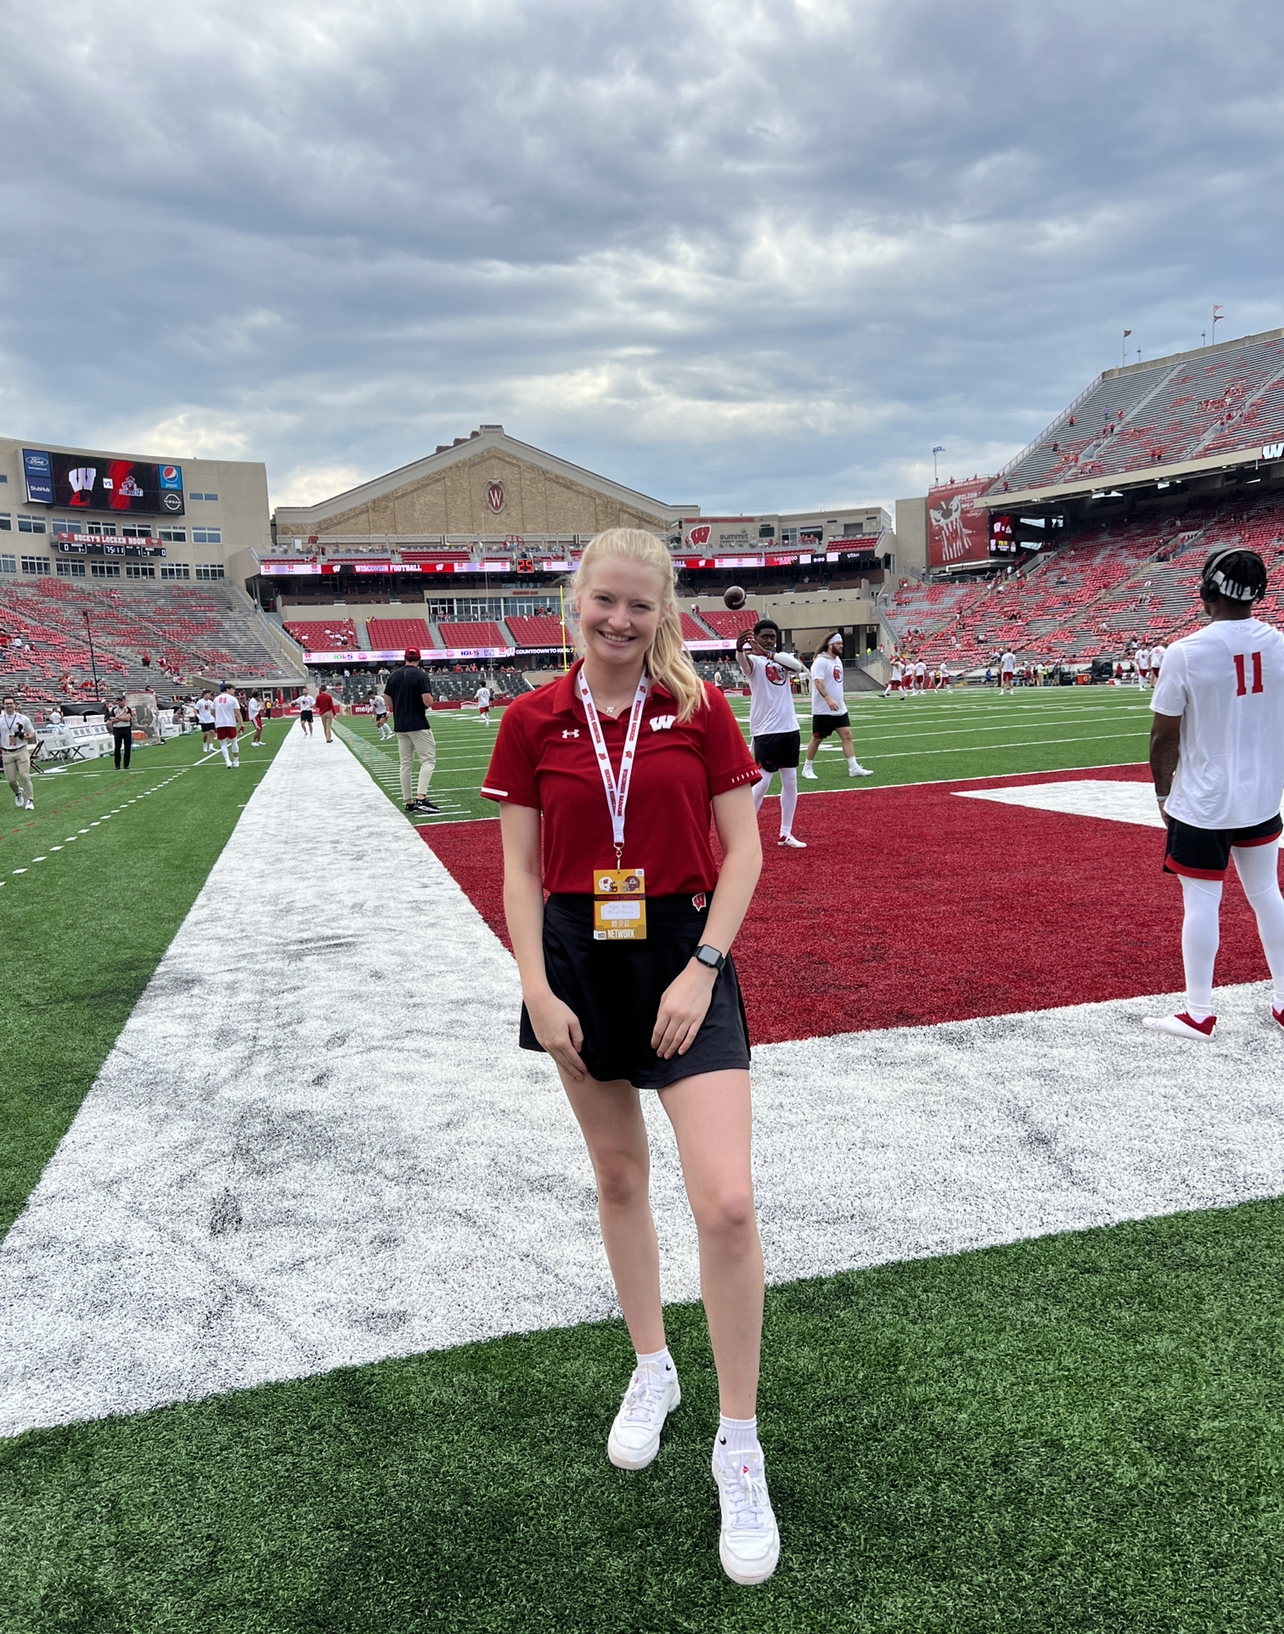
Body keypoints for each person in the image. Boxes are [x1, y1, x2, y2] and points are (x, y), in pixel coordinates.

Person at [482, 528, 778, 1586]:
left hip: (682, 950)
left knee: (728, 1200)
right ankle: (653, 1364)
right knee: (618, 1176)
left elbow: (742, 849)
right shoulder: (530, 718)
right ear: (574, 604)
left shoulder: (700, 709)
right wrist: (533, 982)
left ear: (664, 612)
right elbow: (519, 870)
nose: (618, 620)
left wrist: (702, 966)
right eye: (602, 601)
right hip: (574, 956)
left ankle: (737, 1442)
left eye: (638, 606)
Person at [1144, 549, 1284, 1039]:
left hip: (1203, 800)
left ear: (1206, 592)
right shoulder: (1280, 644)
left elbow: (1164, 736)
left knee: (1202, 902)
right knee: (1267, 894)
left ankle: (1198, 1011)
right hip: (1263, 795)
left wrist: (1164, 793)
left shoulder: (1186, 651)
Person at [736, 619, 805, 849]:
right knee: (764, 781)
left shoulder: (780, 659)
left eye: (772, 637)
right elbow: (744, 664)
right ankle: (744, 831)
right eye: (764, 636)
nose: (768, 640)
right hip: (766, 731)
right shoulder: (753, 661)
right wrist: (739, 650)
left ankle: (786, 833)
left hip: (789, 727)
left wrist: (770, 655)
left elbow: (797, 667)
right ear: (755, 638)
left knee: (791, 781)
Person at [803, 635, 872, 782]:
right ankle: (807, 768)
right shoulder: (820, 662)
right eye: (838, 644)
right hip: (823, 709)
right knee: (817, 738)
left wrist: (841, 700)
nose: (842, 646)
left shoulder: (837, 660)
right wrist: (828, 699)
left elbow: (837, 683)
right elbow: (818, 682)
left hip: (839, 707)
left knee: (847, 734)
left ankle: (853, 767)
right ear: (830, 645)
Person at [384, 648, 440, 815]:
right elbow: (428, 701)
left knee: (405, 764)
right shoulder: (421, 675)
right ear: (419, 659)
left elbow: (387, 700)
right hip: (417, 723)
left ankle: (408, 802)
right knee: (428, 761)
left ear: (404, 658)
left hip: (400, 724)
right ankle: (421, 798)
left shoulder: (393, 675)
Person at [1, 694, 37, 810]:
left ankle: (30, 800)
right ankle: (17, 792)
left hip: (21, 750)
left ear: (15, 705)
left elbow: (32, 733)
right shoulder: (1, 719)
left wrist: (25, 737)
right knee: (11, 780)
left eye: (11, 703)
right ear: (3, 705)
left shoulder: (23, 718)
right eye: (7, 704)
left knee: (25, 776)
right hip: (7, 752)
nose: (9, 706)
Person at [213, 688, 242, 767]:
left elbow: (212, 711)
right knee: (234, 742)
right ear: (227, 689)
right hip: (230, 723)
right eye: (232, 690)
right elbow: (237, 713)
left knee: (223, 744)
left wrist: (218, 717)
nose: (234, 691)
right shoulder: (232, 699)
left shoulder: (216, 699)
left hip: (220, 723)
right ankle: (236, 761)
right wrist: (242, 724)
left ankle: (227, 761)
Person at [106, 694, 135, 770]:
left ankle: (126, 764)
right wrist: (122, 718)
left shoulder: (128, 709)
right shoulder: (114, 709)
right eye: (118, 701)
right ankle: (117, 765)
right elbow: (112, 720)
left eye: (121, 700)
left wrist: (118, 717)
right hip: (117, 729)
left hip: (126, 729)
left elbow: (128, 719)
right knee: (117, 748)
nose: (119, 702)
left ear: (124, 701)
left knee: (127, 747)